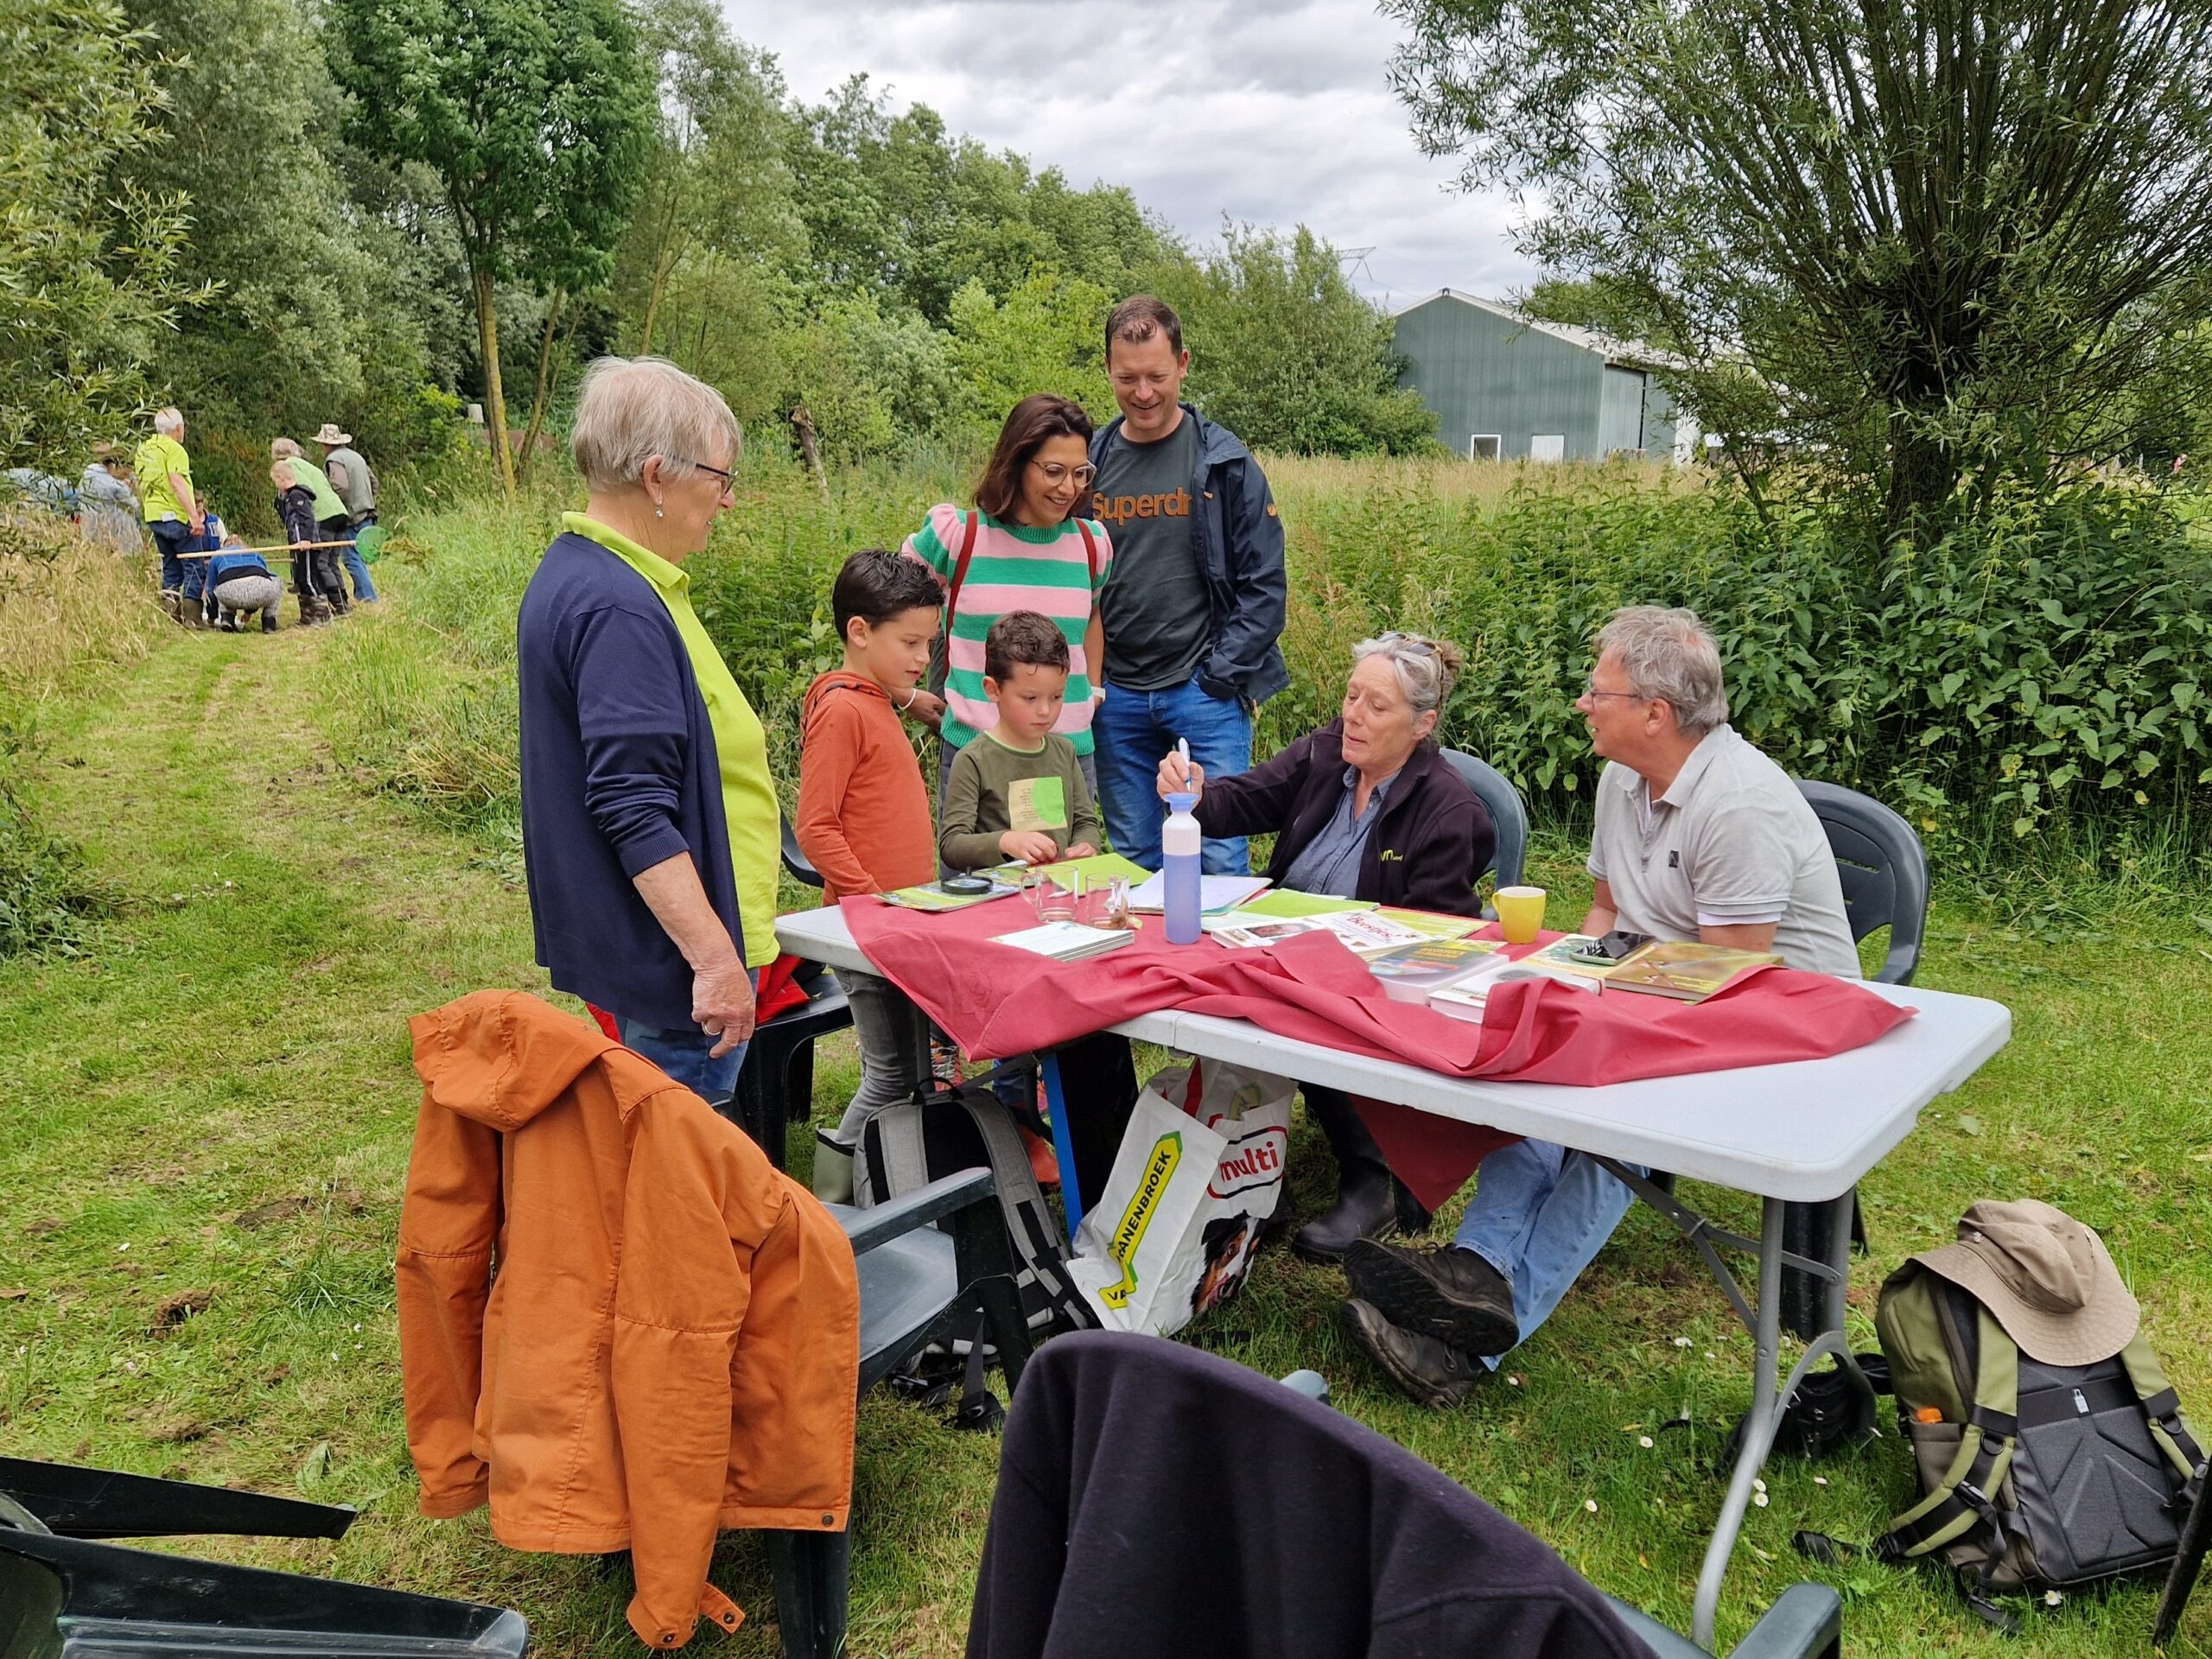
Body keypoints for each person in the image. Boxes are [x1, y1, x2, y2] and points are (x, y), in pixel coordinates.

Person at [1338, 606, 1860, 1408]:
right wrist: (1558, 996)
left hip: (1782, 1028)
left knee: (1613, 1139)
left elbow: (1730, 981)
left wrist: (1598, 1022)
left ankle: (1473, 1344)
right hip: (1655, 988)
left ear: (1654, 713)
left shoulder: (1741, 805)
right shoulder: (1624, 777)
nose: (1583, 704)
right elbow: (1605, 918)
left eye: (1598, 691)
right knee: (1530, 1086)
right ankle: (1473, 1274)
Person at [1157, 632, 1495, 1262]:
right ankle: (1246, 1160)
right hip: (1284, 959)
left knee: (1304, 1006)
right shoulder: (1322, 756)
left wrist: (1343, 953)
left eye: (1376, 706)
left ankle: (1380, 1178)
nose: (1353, 715)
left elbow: (1438, 942)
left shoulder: (1449, 812)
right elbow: (1246, 798)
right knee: (1211, 985)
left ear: (1422, 724)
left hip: (1372, 987)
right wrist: (1195, 793)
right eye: (1351, 695)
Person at [516, 356, 778, 1102]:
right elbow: (630, 803)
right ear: (659, 476)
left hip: (651, 949)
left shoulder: (585, 572)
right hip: (675, 966)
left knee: (649, 1157)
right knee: (679, 1177)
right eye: (720, 479)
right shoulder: (619, 607)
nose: (726, 503)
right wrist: (715, 963)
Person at [1090, 295, 1287, 875]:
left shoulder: (1225, 462)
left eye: (1156, 375)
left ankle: (1224, 968)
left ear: (1183, 364)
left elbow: (1265, 587)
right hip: (1116, 699)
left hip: (1204, 694)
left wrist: (1218, 678)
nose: (1143, 392)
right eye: (1128, 378)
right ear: (1108, 369)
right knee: (1134, 863)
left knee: (1221, 859)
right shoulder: (1089, 465)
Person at [795, 549, 945, 1202]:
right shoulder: (843, 711)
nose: (922, 656)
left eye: (928, 643)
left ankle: (888, 1192)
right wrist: (867, 901)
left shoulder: (874, 699)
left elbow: (886, 687)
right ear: (860, 632)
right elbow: (815, 827)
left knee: (916, 1076)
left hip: (899, 925)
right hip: (868, 929)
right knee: (888, 1076)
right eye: (909, 642)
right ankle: (827, 1206)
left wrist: (910, 696)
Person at [899, 394, 1112, 810]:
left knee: (1057, 872)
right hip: (977, 757)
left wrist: (1093, 690)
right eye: (1053, 471)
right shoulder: (959, 536)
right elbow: (886, 606)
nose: (1068, 488)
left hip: (1065, 759)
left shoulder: (1092, 545)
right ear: (1017, 462)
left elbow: (1091, 617)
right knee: (974, 873)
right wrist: (902, 691)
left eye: (1080, 473)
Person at [940, 611, 1105, 874]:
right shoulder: (973, 759)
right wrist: (1006, 841)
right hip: (997, 899)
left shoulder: (1065, 752)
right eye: (1030, 698)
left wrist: (1085, 845)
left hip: (1056, 895)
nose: (1045, 710)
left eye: (1056, 697)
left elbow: (1085, 823)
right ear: (993, 689)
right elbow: (952, 844)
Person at [135, 408, 205, 623]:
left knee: (171, 565)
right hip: (175, 515)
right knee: (194, 565)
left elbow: (138, 483)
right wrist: (194, 516)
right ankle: (193, 618)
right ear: (179, 427)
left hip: (154, 516)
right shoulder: (174, 450)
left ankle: (170, 615)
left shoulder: (143, 449)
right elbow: (177, 482)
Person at [273, 460, 346, 624]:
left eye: (275, 482)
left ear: (281, 478)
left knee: (309, 579)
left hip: (306, 545)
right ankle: (307, 616)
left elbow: (306, 520)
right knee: (300, 579)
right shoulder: (289, 498)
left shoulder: (297, 496)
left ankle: (322, 615)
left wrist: (305, 539)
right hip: (298, 546)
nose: (276, 486)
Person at [314, 423, 380, 604]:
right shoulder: (357, 457)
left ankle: (369, 598)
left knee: (351, 558)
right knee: (360, 557)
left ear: (326, 445)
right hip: (367, 512)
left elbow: (341, 487)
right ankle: (363, 594)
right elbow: (375, 483)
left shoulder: (333, 460)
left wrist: (335, 505)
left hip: (351, 516)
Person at [199, 518, 283, 633]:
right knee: (276, 581)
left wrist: (212, 616)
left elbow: (210, 589)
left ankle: (227, 618)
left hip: (229, 593)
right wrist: (249, 612)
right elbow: (266, 576)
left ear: (225, 545)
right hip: (260, 590)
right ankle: (269, 621)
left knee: (221, 585)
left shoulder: (218, 555)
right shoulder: (254, 553)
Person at [77, 444, 140, 553]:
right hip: (111, 531)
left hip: (89, 526)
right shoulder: (115, 486)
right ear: (112, 464)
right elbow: (135, 505)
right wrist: (130, 486)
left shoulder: (86, 475)